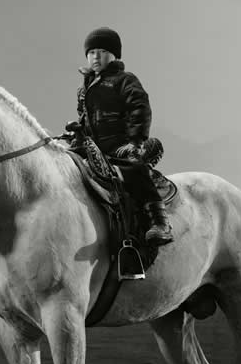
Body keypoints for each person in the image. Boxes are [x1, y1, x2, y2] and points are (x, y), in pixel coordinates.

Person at [69, 26, 173, 246]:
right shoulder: (84, 86)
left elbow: (140, 108)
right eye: (92, 52)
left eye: (102, 52)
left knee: (134, 168)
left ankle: (160, 222)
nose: (96, 57)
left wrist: (135, 141)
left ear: (114, 55)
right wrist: (78, 133)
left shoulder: (124, 80)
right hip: (91, 145)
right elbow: (84, 116)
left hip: (119, 144)